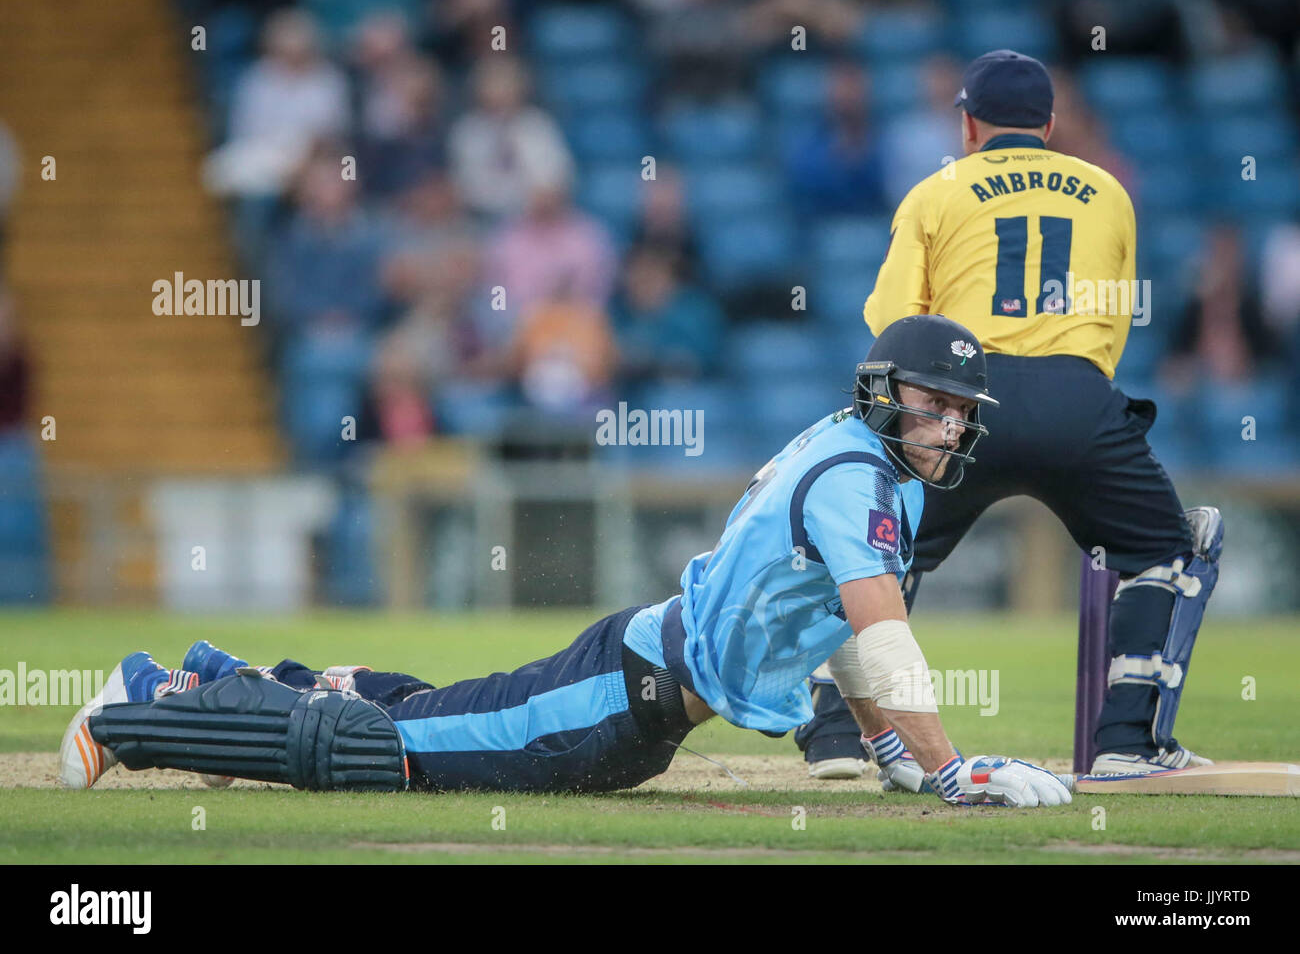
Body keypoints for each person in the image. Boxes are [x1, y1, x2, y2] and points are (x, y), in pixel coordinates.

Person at [60, 316, 1071, 809]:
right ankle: (143, 703)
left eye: (961, 411)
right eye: (940, 403)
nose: (953, 422)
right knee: (381, 754)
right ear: (890, 392)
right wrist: (945, 768)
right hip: (617, 696)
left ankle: (224, 675)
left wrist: (885, 748)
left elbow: (837, 622)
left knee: (419, 714)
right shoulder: (858, 477)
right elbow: (882, 626)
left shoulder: (872, 469)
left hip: (630, 700)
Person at [796, 50, 1222, 785]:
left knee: (877, 553)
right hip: (1076, 397)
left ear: (967, 124)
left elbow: (893, 321)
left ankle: (836, 736)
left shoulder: (937, 191)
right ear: (1051, 125)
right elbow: (1114, 322)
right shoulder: (1109, 190)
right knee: (1167, 549)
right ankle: (1127, 742)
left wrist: (913, 415)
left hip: (962, 398)